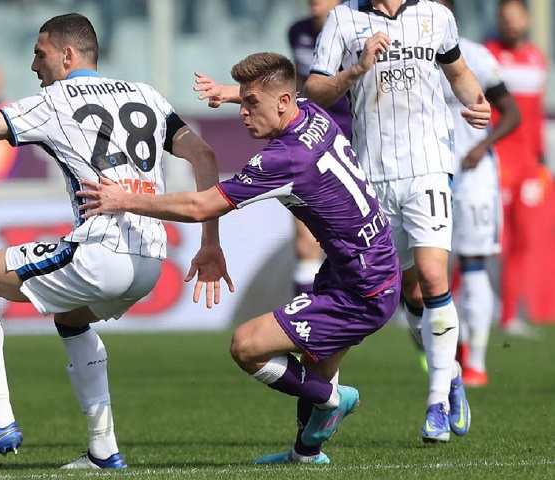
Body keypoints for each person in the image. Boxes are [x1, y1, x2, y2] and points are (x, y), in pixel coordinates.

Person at [0, 13, 232, 470]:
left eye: (40, 53)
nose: (33, 65)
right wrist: (209, 243)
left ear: (68, 56)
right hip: (153, 258)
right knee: (72, 318)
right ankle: (103, 450)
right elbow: (205, 155)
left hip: (102, 250)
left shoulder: (53, 100)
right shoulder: (147, 94)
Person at [78, 52, 401, 465]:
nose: (244, 114)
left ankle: (336, 399)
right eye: (243, 103)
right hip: (365, 265)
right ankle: (307, 453)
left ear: (282, 103)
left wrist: (124, 199)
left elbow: (200, 206)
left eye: (252, 105)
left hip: (362, 287)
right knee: (312, 364)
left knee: (247, 346)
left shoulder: (283, 158)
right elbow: (282, 92)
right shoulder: (312, 113)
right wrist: (231, 94)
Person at [193, 0, 491, 444]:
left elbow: (458, 70)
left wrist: (477, 102)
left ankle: (437, 399)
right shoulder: (344, 20)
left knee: (433, 277)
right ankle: (438, 379)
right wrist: (355, 70)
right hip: (372, 171)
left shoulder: (436, 15)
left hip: (430, 164)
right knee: (408, 288)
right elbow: (313, 90)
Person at [438, 0, 521, 387]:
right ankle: (450, 354)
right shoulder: (410, 59)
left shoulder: (475, 56)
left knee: (472, 264)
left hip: (473, 178)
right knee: (430, 272)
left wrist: (481, 146)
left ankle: (477, 362)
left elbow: (512, 112)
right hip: (430, 174)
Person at [485, 0, 548, 337]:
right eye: (505, 18)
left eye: (516, 17)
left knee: (522, 241)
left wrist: (540, 162)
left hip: (528, 166)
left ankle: (510, 315)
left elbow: (535, 117)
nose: (510, 24)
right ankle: (452, 303)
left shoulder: (537, 57)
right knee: (485, 241)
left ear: (525, 20)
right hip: (497, 161)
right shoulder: (488, 55)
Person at [287, 0, 350, 296]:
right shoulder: (297, 31)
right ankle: (303, 318)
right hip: (311, 139)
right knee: (305, 239)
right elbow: (299, 84)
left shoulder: (353, 30)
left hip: (353, 142)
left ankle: (403, 308)